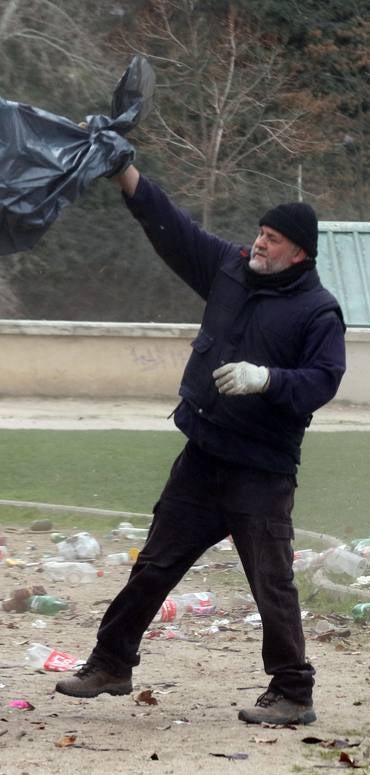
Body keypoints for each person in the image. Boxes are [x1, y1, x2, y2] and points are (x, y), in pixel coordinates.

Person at [55, 162, 347, 725]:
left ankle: (293, 692)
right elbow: (174, 229)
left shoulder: (318, 311)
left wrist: (268, 379)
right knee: (154, 565)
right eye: (261, 232)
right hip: (203, 456)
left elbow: (324, 379)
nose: (260, 241)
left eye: (273, 238)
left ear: (299, 254)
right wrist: (127, 176)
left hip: (260, 470)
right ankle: (112, 662)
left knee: (272, 584)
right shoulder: (230, 269)